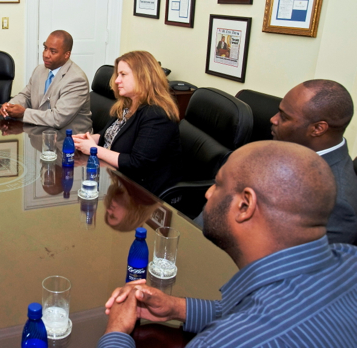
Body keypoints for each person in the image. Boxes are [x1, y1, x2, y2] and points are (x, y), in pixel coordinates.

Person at [99, 141, 357, 348]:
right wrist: (179, 308)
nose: (208, 192)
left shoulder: (229, 341)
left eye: (218, 184)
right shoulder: (350, 258)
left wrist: (116, 332)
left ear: (245, 205)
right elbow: (259, 307)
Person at [73, 51, 182, 195]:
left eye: (123, 75)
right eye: (118, 75)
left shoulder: (157, 114)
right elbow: (111, 134)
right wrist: (89, 139)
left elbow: (137, 163)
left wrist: (94, 149)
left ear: (143, 77)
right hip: (111, 175)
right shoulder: (127, 104)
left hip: (138, 192)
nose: (117, 80)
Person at [271, 79, 357, 244]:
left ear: (318, 129)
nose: (273, 119)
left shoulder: (337, 203)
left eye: (284, 116)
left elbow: (313, 266)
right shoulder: (289, 149)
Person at [0, 30, 92, 130]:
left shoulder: (76, 80)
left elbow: (58, 119)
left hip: (69, 140)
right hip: (41, 134)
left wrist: (24, 113)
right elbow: (26, 96)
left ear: (66, 55)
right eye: (45, 48)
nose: (46, 55)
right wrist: (10, 106)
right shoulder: (39, 70)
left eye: (53, 51)